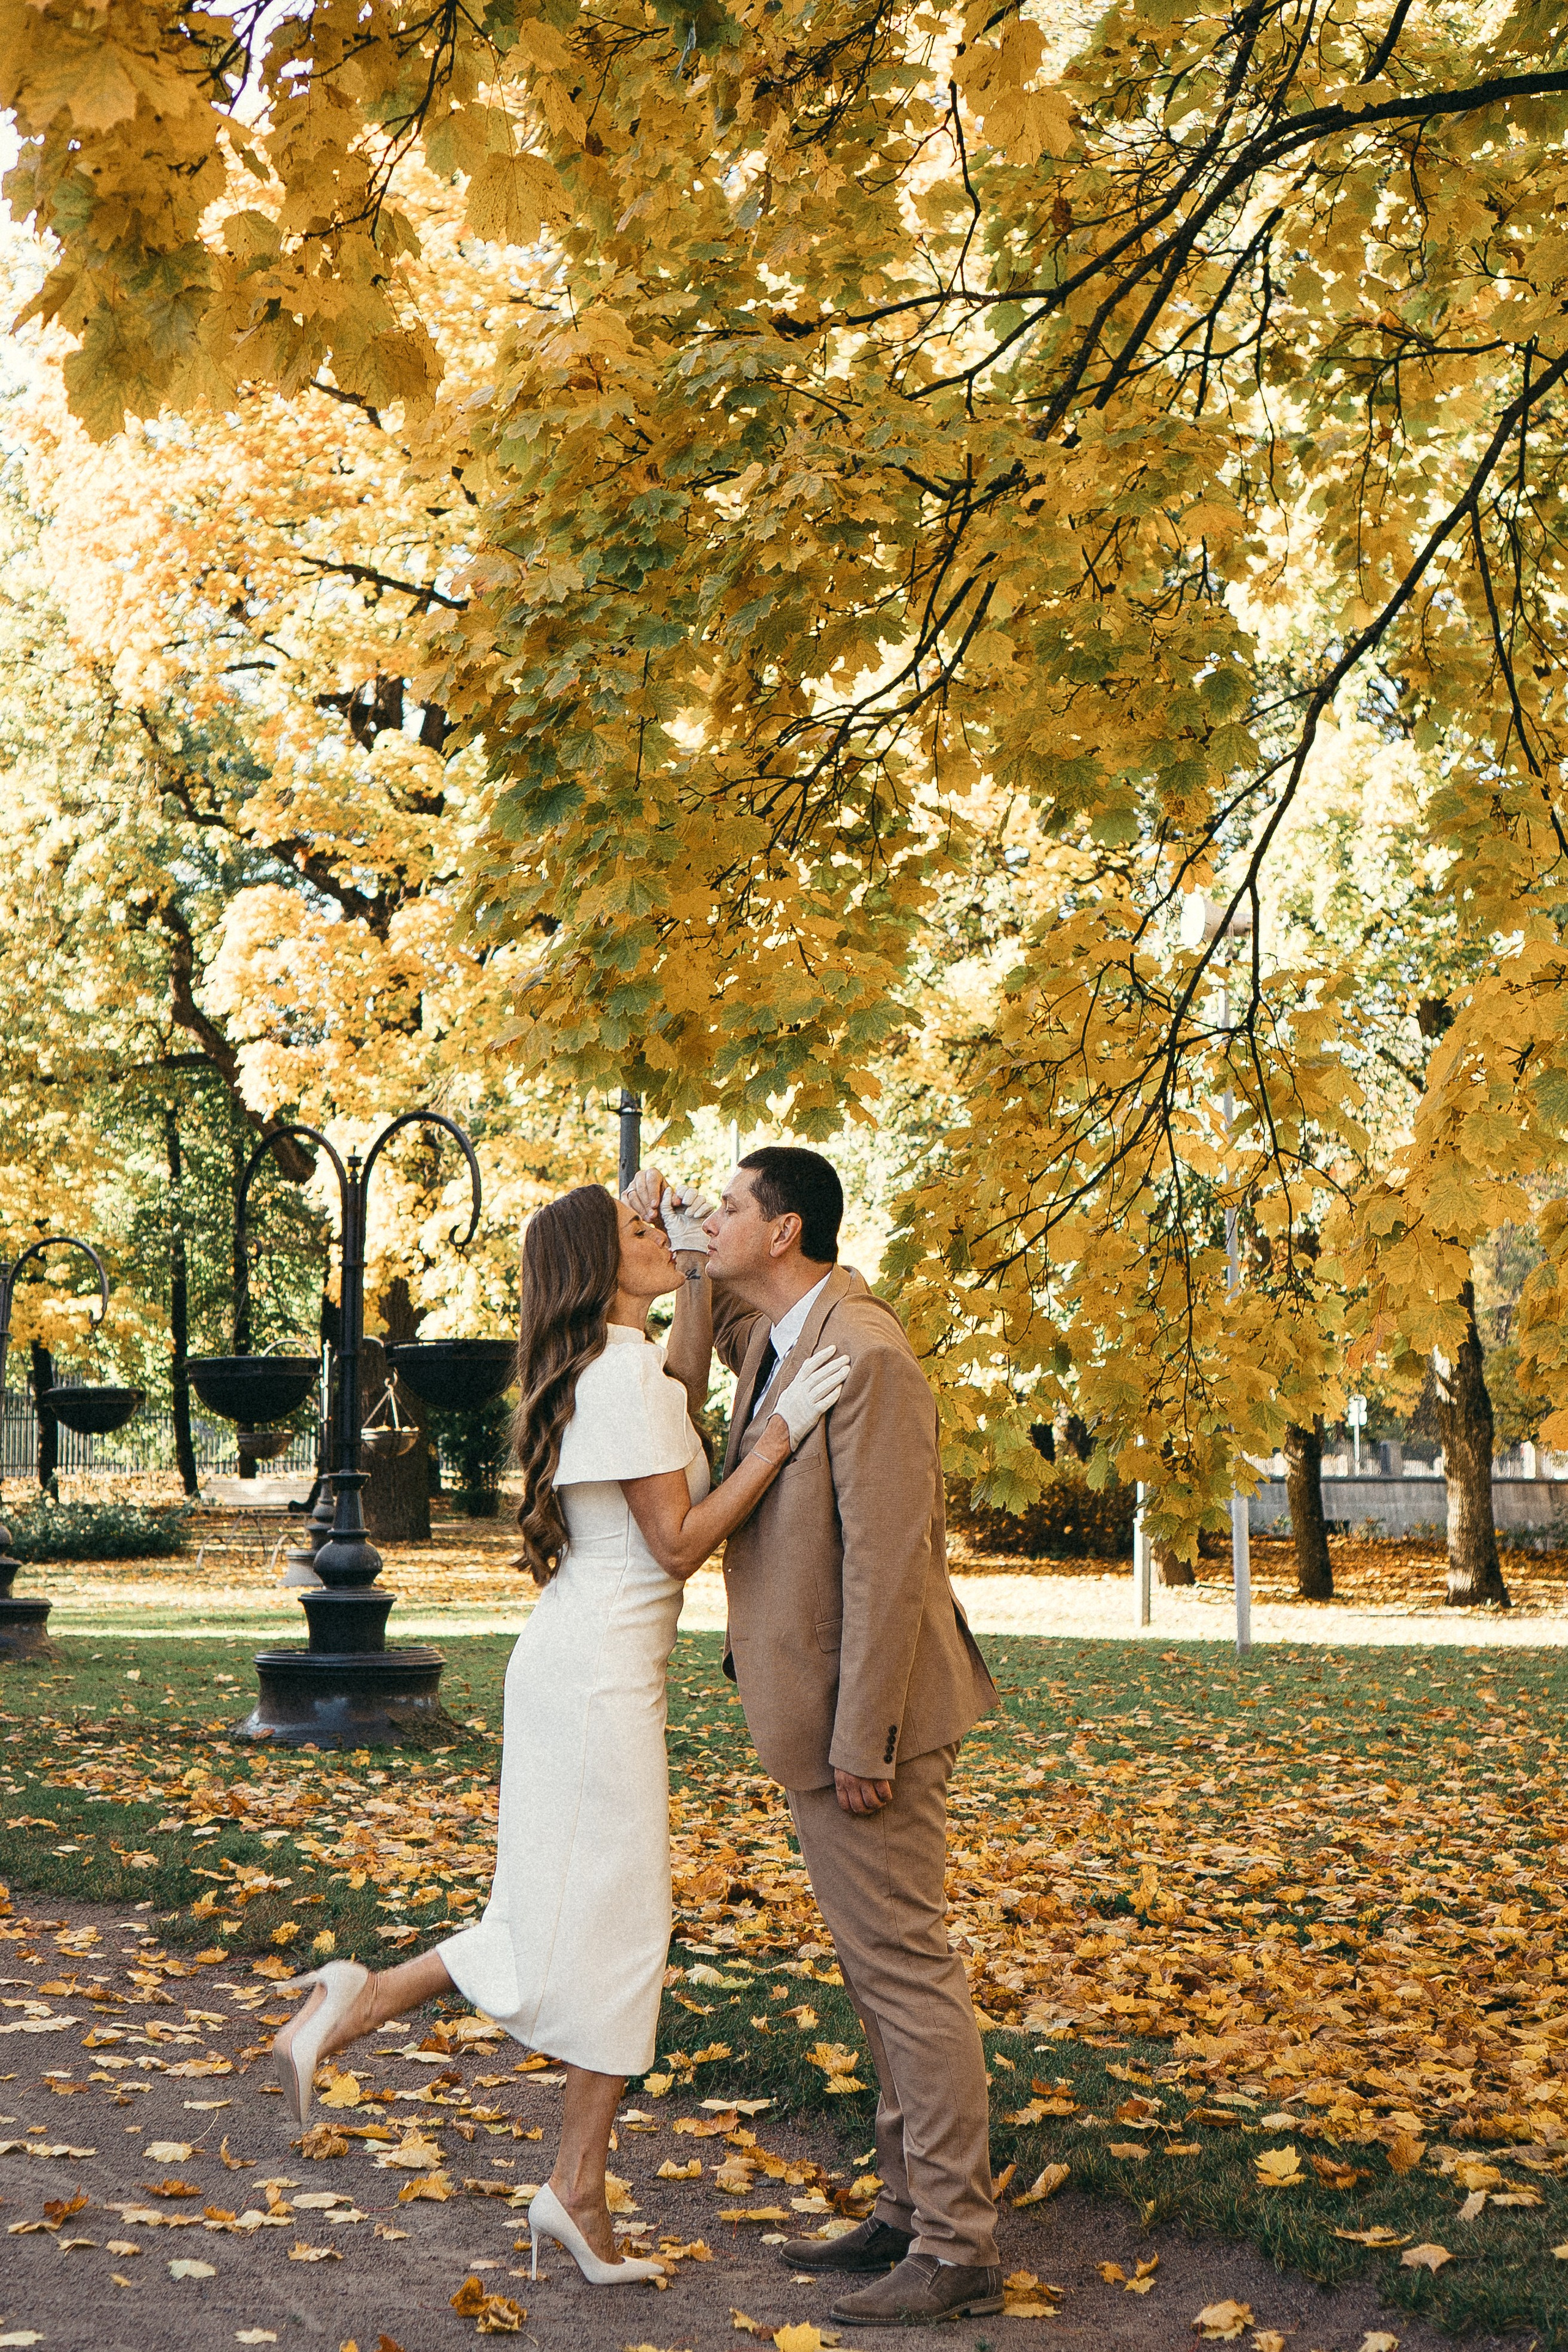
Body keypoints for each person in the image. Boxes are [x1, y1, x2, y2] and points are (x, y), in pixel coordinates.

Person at [271, 1180, 848, 2289]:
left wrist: (681, 1268)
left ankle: (553, 2171)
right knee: (621, 1926)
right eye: (645, 1232)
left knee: (581, 1921)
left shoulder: (616, 1372)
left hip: (582, 1668)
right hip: (593, 1686)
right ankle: (401, 2029)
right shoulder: (617, 1376)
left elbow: (678, 1391)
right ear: (596, 1265)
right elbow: (677, 1544)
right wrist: (778, 1436)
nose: (672, 1239)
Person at [626, 1148, 1003, 2329]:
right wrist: (687, 1264)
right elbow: (678, 1382)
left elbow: (893, 1569)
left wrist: (867, 1737)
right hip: (821, 1713)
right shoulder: (778, 1338)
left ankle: (957, 2248)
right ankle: (906, 2210)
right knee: (875, 1973)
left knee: (906, 1973)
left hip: (872, 1719)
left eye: (727, 1207)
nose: (709, 1215)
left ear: (784, 1230)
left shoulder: (870, 1357)